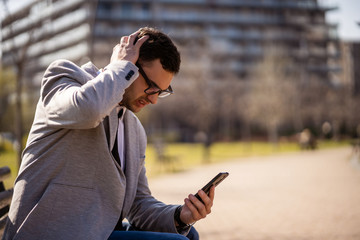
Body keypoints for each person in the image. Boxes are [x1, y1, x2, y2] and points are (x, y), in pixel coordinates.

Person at [2, 27, 215, 240]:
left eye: (161, 92)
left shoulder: (134, 130)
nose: (153, 100)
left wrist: (180, 216)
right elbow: (89, 110)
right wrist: (120, 67)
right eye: (151, 87)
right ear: (129, 63)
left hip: (98, 233)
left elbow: (138, 205)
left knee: (188, 233)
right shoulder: (63, 78)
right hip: (49, 233)